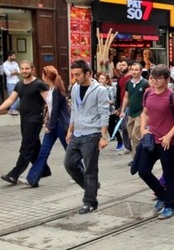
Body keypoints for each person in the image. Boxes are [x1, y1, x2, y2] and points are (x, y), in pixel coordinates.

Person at [138, 65, 174, 220]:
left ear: (167, 79)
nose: (155, 81)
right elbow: (144, 112)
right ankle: (162, 194)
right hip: (151, 139)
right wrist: (143, 128)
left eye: (158, 78)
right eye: (152, 77)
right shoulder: (148, 93)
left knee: (168, 173)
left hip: (168, 142)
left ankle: (170, 206)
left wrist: (169, 135)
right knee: (143, 171)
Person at [64, 59, 110, 214]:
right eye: (73, 74)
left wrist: (103, 136)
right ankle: (92, 187)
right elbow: (74, 110)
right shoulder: (75, 88)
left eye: (78, 74)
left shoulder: (100, 90)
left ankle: (90, 202)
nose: (75, 77)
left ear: (88, 74)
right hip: (77, 133)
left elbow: (105, 113)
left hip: (92, 134)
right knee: (69, 163)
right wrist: (70, 130)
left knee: (90, 169)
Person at [0, 60, 50, 185]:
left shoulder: (39, 84)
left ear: (32, 69)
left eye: (27, 69)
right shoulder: (19, 85)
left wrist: (49, 119)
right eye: (22, 69)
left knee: (26, 147)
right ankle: (44, 170)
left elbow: (49, 101)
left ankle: (14, 175)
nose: (24, 71)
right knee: (34, 147)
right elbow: (11, 99)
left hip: (34, 120)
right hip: (24, 120)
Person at [18, 66, 71, 187]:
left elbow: (56, 111)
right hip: (52, 124)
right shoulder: (51, 89)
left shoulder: (57, 91)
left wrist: (49, 125)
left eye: (42, 75)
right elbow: (51, 109)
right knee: (43, 152)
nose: (41, 77)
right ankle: (32, 178)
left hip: (60, 125)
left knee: (69, 151)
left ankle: (80, 172)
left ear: (46, 76)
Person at [120, 63, 150, 162]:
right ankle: (142, 153)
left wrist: (147, 114)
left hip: (140, 113)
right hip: (130, 113)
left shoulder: (145, 83)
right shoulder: (128, 83)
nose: (134, 72)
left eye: (136, 70)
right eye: (132, 69)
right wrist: (122, 111)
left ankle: (136, 158)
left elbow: (148, 99)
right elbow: (126, 97)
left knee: (135, 135)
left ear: (141, 71)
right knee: (131, 135)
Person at [98, 72, 122, 150]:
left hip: (110, 111)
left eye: (102, 79)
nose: (100, 80)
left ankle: (120, 141)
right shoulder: (97, 89)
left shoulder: (110, 88)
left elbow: (113, 100)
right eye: (99, 78)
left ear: (107, 80)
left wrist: (106, 101)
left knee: (112, 127)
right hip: (100, 111)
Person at [115, 60, 132, 153]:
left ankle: (132, 145)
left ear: (129, 67)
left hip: (131, 105)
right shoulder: (120, 78)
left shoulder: (131, 78)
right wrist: (118, 106)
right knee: (123, 126)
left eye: (123, 65)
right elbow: (118, 93)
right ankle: (127, 146)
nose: (121, 67)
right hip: (122, 104)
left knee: (128, 126)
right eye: (120, 65)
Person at [1, 50, 20, 115]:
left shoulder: (15, 63)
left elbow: (19, 72)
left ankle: (12, 109)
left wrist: (14, 72)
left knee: (19, 97)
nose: (15, 57)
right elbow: (8, 74)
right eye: (13, 56)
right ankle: (12, 109)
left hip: (17, 81)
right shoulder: (5, 64)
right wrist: (14, 72)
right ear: (9, 56)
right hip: (10, 83)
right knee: (12, 98)